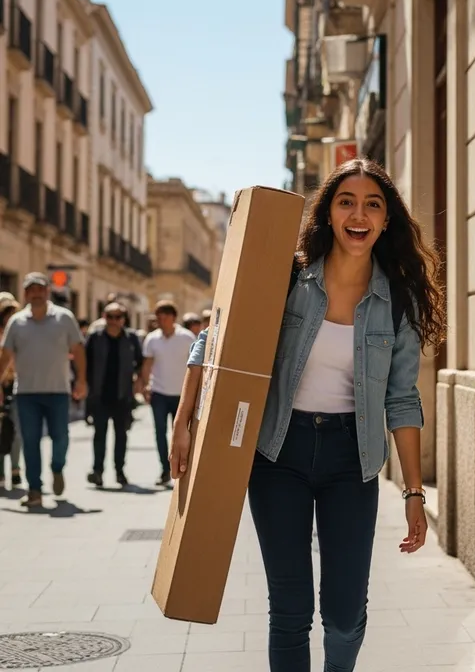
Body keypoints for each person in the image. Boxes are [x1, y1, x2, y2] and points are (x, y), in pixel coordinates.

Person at [170, 159, 446, 672]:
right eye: (347, 201)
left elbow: (403, 399)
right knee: (291, 610)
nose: (359, 214)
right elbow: (216, 339)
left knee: (344, 615)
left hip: (352, 459)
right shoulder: (289, 277)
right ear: (328, 212)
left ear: (387, 220)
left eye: (372, 204)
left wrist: (413, 492)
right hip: (279, 453)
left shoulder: (397, 301)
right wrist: (183, 420)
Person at [0, 272, 86, 507]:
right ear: (25, 294)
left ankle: (57, 468)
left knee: (61, 438)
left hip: (58, 391)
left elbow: (77, 350)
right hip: (26, 393)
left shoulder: (64, 318)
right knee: (30, 441)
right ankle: (35, 490)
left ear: (48, 292)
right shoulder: (16, 322)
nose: (36, 294)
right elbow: (6, 355)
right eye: (31, 290)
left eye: (40, 289)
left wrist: (81, 380)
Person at [85, 302, 144, 487]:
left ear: (123, 319)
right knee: (99, 436)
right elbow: (85, 364)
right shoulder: (95, 338)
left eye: (117, 317)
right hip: (100, 395)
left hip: (123, 396)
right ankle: (98, 471)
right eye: (110, 316)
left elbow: (140, 363)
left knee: (121, 436)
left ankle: (119, 471)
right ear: (104, 317)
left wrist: (139, 383)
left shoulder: (131, 339)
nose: (113, 321)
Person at [138, 301, 195, 486]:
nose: (161, 321)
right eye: (158, 318)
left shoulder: (187, 338)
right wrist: (146, 386)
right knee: (159, 432)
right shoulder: (152, 339)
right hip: (159, 393)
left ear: (173, 318)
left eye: (164, 317)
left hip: (181, 395)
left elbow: (195, 367)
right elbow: (147, 365)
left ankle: (182, 467)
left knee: (180, 433)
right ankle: (165, 469)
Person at [0, 300, 22, 488]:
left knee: (17, 431)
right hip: (1, 385)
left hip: (18, 385)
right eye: (7, 312)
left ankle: (15, 470)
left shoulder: (20, 333)